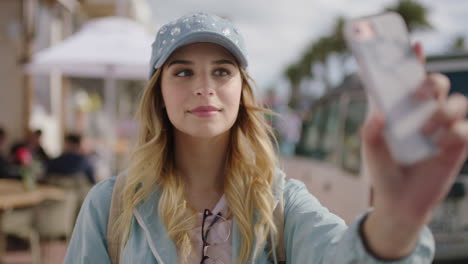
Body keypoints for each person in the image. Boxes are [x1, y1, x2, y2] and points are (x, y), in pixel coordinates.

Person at [65, 12, 468, 263]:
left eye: (222, 71)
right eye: (183, 71)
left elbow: (340, 255)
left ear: (242, 91)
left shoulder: (281, 203)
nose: (204, 86)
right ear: (159, 94)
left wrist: (398, 220)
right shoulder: (111, 206)